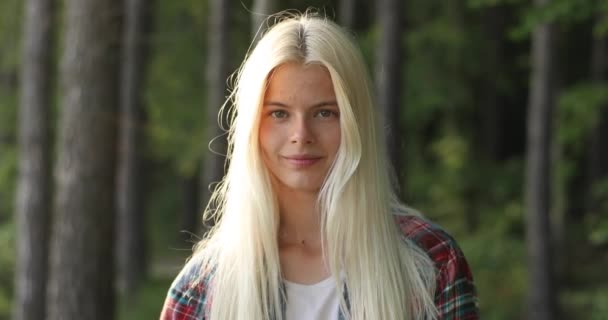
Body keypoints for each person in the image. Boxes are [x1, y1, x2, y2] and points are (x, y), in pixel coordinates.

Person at [160, 11, 479, 320]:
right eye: (279, 114)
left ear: (356, 123)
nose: (301, 135)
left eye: (325, 112)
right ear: (251, 128)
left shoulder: (430, 262)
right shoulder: (199, 291)